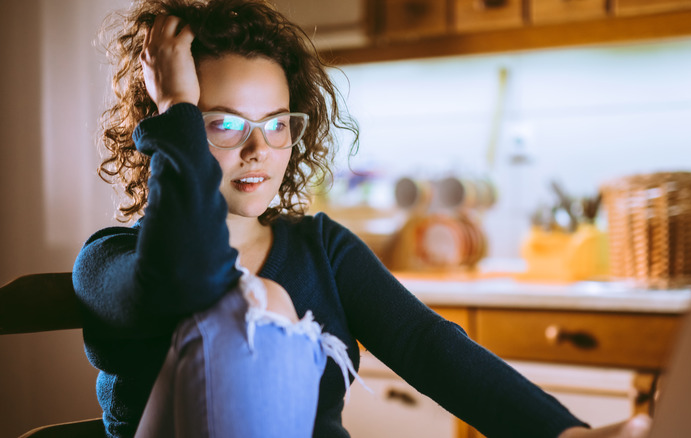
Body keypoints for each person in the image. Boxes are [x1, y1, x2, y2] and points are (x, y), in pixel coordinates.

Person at [72, 0, 652, 436]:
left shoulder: (321, 248)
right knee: (261, 305)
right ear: (166, 136)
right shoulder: (108, 262)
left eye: (277, 123)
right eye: (222, 123)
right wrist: (177, 106)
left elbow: (428, 346)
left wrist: (566, 433)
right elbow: (190, 278)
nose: (259, 150)